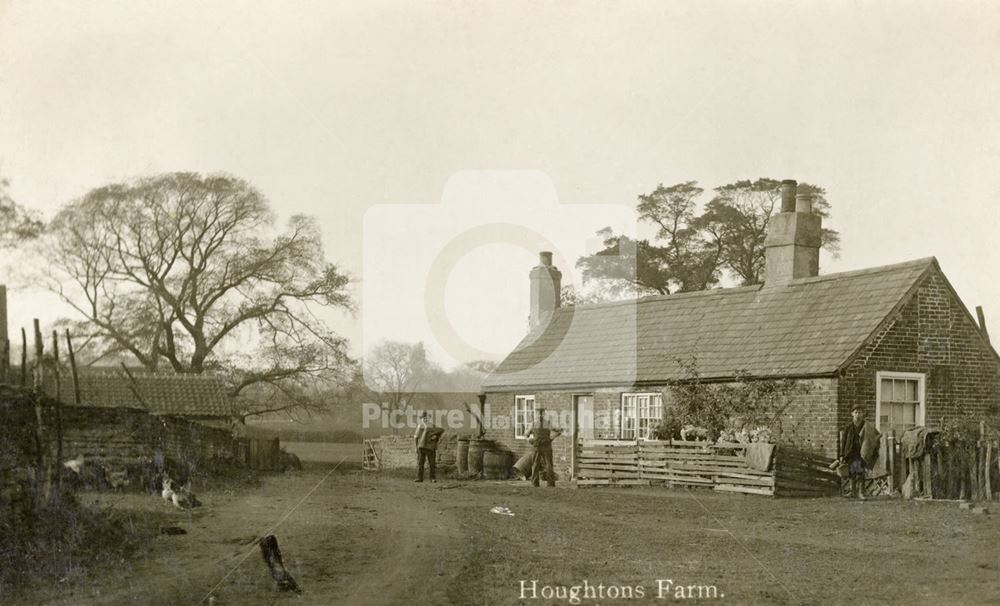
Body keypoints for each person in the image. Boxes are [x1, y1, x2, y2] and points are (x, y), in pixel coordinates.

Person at [838, 405, 881, 500]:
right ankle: (852, 491)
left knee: (860, 472)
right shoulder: (848, 427)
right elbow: (844, 442)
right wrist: (841, 455)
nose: (858, 415)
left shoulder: (868, 426)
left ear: (863, 414)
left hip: (862, 452)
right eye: (856, 412)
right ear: (852, 414)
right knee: (851, 472)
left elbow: (876, 436)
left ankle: (861, 492)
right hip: (850, 452)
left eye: (860, 412)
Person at [526, 410, 563, 487]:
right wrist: (530, 440)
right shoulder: (532, 424)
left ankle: (550, 484)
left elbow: (559, 431)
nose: (540, 416)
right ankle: (535, 484)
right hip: (537, 446)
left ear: (544, 414)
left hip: (546, 446)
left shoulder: (549, 424)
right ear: (536, 414)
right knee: (535, 465)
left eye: (541, 414)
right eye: (538, 414)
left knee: (549, 465)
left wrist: (551, 438)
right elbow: (526, 434)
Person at [414, 411, 444, 483]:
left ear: (429, 418)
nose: (425, 419)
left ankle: (432, 478)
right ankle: (420, 478)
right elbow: (416, 437)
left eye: (426, 417)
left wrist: (435, 436)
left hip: (430, 447)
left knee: (432, 463)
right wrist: (416, 447)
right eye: (423, 418)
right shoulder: (419, 426)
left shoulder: (433, 426)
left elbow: (439, 433)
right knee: (420, 463)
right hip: (421, 447)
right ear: (421, 419)